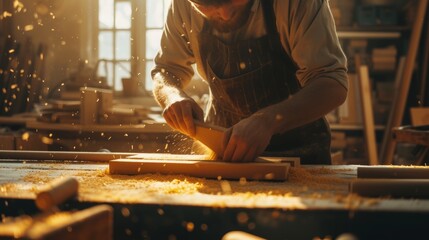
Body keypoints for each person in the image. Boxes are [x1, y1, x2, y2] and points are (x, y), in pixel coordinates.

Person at [152, 0, 348, 164]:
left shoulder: (295, 3)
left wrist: (268, 120)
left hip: (300, 157)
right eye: (206, 6)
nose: (225, 14)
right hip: (224, 156)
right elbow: (165, 71)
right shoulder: (184, 5)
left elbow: (332, 83)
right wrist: (171, 96)